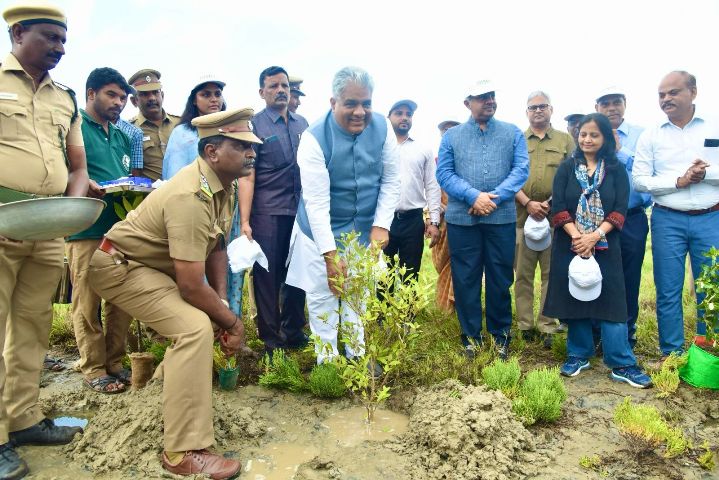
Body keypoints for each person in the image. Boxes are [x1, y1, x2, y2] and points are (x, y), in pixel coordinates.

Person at [87, 108, 260, 479]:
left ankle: (163, 397)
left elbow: (216, 247)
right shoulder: (189, 195)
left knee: (205, 318)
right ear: (212, 151)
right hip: (120, 267)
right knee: (194, 327)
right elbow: (189, 285)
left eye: (252, 146)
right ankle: (182, 451)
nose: (251, 153)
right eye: (241, 145)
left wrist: (223, 304)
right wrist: (231, 322)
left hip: (149, 267)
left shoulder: (220, 185)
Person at [0, 4, 90, 478]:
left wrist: (69, 210)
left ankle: (24, 419)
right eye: (49, 38)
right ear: (18, 33)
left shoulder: (65, 98)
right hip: (0, 222)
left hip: (47, 227)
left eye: (63, 41)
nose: (59, 48)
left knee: (31, 327)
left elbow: (78, 167)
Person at [286, 66, 400, 363]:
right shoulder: (313, 139)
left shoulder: (384, 129)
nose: (360, 112)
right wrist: (329, 255)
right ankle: (328, 363)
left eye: (367, 104)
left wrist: (381, 225)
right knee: (325, 295)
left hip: (363, 231)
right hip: (319, 231)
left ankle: (357, 358)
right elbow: (317, 203)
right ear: (333, 102)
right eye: (351, 103)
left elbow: (391, 179)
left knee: (357, 294)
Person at [543, 113, 651, 388]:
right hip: (570, 244)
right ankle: (578, 355)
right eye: (583, 134)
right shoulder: (567, 168)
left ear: (605, 139)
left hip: (605, 244)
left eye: (594, 135)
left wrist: (594, 236)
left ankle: (621, 362)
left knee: (613, 302)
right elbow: (559, 209)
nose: (587, 139)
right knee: (576, 296)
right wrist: (578, 237)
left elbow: (619, 210)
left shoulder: (615, 170)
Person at [436, 80, 529, 359]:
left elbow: (521, 169)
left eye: (491, 95)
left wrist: (494, 198)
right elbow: (444, 174)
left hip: (500, 218)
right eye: (481, 97)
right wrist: (473, 196)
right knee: (466, 279)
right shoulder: (451, 137)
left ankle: (500, 336)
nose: (489, 101)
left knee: (500, 278)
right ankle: (471, 338)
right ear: (467, 103)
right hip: (462, 221)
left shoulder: (512, 133)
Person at [633, 71, 719, 360]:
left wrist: (705, 174)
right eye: (661, 95)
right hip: (667, 219)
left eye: (673, 92)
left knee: (712, 287)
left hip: (711, 218)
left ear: (693, 92)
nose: (666, 99)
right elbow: (641, 181)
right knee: (668, 289)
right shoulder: (651, 134)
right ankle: (672, 354)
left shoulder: (714, 124)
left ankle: (708, 353)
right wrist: (679, 180)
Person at [66, 67, 134, 394]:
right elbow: (61, 168)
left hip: (118, 232)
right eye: (112, 94)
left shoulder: (122, 135)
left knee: (121, 299)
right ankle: (93, 368)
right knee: (87, 301)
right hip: (84, 229)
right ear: (90, 94)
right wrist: (81, 183)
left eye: (122, 97)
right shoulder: (74, 126)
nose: (119, 102)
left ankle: (115, 362)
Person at [246, 66, 309, 353]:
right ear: (262, 92)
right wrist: (245, 221)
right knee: (267, 277)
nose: (281, 90)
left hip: (299, 212)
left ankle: (294, 330)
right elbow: (248, 175)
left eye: (284, 85)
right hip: (267, 212)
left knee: (298, 273)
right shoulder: (255, 126)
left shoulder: (302, 124)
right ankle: (271, 340)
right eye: (273, 86)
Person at [515, 91, 574, 347]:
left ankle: (548, 325)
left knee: (551, 275)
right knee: (524, 275)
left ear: (551, 109)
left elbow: (574, 176)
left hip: (555, 219)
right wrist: (528, 203)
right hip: (521, 216)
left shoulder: (565, 140)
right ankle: (525, 325)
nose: (538, 110)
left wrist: (550, 204)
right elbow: (509, 176)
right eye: (532, 107)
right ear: (526, 112)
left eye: (542, 106)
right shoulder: (516, 139)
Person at [595, 86, 647, 349]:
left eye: (616, 102)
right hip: (595, 221)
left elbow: (647, 173)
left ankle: (626, 332)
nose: (611, 108)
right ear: (597, 108)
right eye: (605, 103)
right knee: (597, 275)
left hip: (631, 219)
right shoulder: (591, 135)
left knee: (629, 277)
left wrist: (619, 150)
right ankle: (597, 333)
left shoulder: (642, 135)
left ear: (625, 104)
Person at [385, 99, 441, 282]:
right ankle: (383, 313)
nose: (404, 118)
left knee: (410, 275)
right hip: (384, 221)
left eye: (408, 114)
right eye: (399, 113)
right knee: (384, 276)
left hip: (413, 222)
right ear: (389, 117)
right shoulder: (380, 148)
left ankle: (408, 312)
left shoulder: (422, 149)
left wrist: (434, 222)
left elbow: (432, 186)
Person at [162, 74, 226, 180]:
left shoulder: (230, 129)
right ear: (194, 100)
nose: (214, 99)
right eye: (206, 95)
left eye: (218, 94)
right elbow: (174, 177)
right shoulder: (181, 132)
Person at [128, 68, 180, 181]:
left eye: (155, 92)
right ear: (134, 101)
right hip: (150, 196)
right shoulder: (128, 130)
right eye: (144, 94)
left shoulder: (181, 125)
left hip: (184, 192)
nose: (152, 98)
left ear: (162, 95)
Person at [431, 119, 460, 312]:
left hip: (462, 219)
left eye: (452, 131)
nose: (447, 136)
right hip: (440, 222)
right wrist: (437, 209)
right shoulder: (434, 163)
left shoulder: (466, 161)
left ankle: (454, 304)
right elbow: (429, 191)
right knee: (442, 263)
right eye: (444, 133)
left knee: (458, 261)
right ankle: (443, 306)